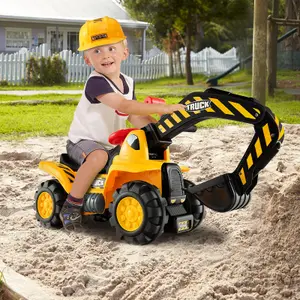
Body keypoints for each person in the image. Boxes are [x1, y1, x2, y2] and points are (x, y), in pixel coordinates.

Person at [59, 16, 186, 230]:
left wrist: (160, 127)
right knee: (98, 157)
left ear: (124, 53)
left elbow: (133, 116)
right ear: (87, 60)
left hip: (111, 144)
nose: (105, 55)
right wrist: (162, 108)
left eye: (111, 48)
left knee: (139, 155)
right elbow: (125, 105)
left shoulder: (127, 82)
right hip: (84, 141)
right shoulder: (95, 83)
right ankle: (72, 205)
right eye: (96, 51)